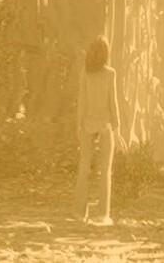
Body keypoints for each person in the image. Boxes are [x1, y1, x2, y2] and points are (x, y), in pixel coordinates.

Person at [73, 35, 122, 225]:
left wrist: (79, 124)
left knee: (84, 167)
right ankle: (103, 214)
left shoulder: (86, 72)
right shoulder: (110, 74)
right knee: (105, 170)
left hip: (87, 123)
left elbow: (82, 100)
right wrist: (117, 128)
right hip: (105, 124)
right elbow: (113, 102)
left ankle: (80, 213)